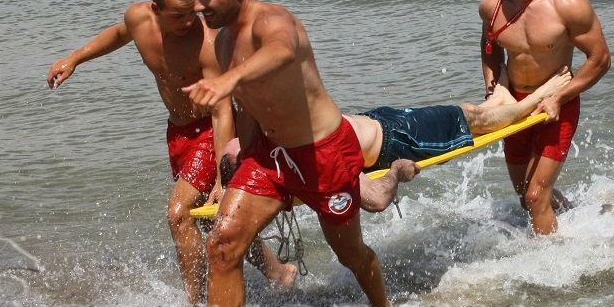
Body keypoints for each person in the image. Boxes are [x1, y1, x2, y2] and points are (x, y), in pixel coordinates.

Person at [182, 0, 394, 307]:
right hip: (269, 156)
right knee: (223, 245)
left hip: (324, 154)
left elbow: (281, 52)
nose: (197, 6)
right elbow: (247, 109)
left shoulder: (274, 21)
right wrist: (235, 167)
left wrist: (229, 79)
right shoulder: (223, 42)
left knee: (349, 253)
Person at [45, 0, 295, 306]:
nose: (188, 21)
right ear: (155, 9)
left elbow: (223, 110)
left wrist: (223, 178)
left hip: (210, 131)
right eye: (177, 15)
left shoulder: (207, 43)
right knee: (211, 220)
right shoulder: (138, 18)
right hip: (177, 132)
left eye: (192, 12)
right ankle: (278, 272)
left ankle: (196, 303)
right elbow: (120, 35)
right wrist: (75, 58)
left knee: (178, 213)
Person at [220, 66, 571, 213]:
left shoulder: (272, 137)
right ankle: (535, 98)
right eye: (245, 153)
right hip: (399, 142)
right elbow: (374, 200)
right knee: (470, 119)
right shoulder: (308, 159)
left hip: (379, 118)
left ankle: (500, 100)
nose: (249, 145)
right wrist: (396, 174)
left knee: (467, 113)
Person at [479, 0, 611, 235]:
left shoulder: (567, 3)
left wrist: (558, 97)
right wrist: (493, 88)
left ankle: (553, 269)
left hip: (557, 104)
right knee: (527, 197)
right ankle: (576, 215)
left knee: (535, 196)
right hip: (515, 106)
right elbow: (489, 46)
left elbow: (600, 59)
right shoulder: (492, 4)